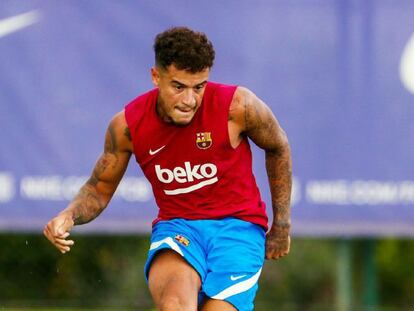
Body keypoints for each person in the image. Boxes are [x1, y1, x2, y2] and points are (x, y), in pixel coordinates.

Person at [44, 27, 292, 311]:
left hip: (239, 229)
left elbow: (279, 146)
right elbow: (98, 190)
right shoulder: (127, 126)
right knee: (174, 305)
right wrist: (69, 214)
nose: (190, 100)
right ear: (155, 76)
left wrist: (281, 224)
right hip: (178, 227)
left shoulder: (238, 106)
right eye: (178, 87)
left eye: (199, 87)